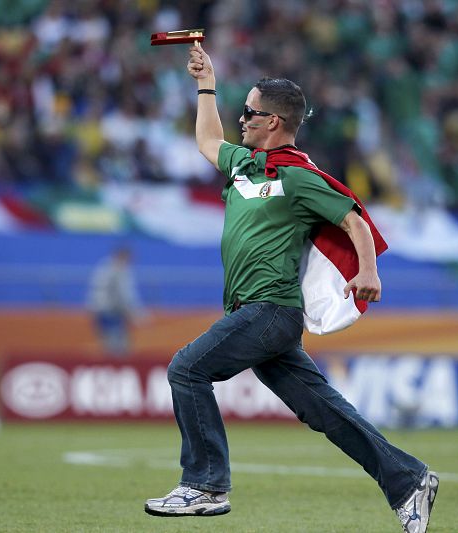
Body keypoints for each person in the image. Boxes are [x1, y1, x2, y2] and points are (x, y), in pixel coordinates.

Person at [144, 43, 439, 533]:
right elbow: (207, 141)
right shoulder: (245, 165)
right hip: (256, 314)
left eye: (249, 113)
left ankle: (206, 486)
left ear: (274, 122)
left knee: (187, 369)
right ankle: (409, 480)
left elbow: (354, 219)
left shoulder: (297, 176)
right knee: (324, 411)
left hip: (270, 311)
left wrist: (369, 272)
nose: (241, 120)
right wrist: (205, 84)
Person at [86, 246, 143, 357]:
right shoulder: (119, 269)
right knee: (117, 346)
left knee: (107, 343)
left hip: (99, 309)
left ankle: (110, 362)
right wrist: (137, 314)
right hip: (111, 311)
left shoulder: (105, 266)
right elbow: (124, 295)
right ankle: (116, 364)